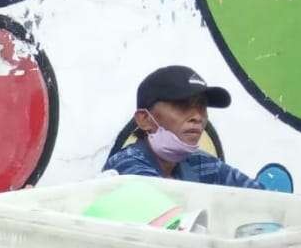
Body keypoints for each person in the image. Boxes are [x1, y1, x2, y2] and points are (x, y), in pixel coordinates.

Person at [103, 65, 263, 188]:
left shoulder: (202, 163)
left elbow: (265, 200)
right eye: (181, 104)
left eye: (202, 106)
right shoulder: (126, 166)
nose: (197, 116)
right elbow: (170, 219)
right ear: (144, 119)